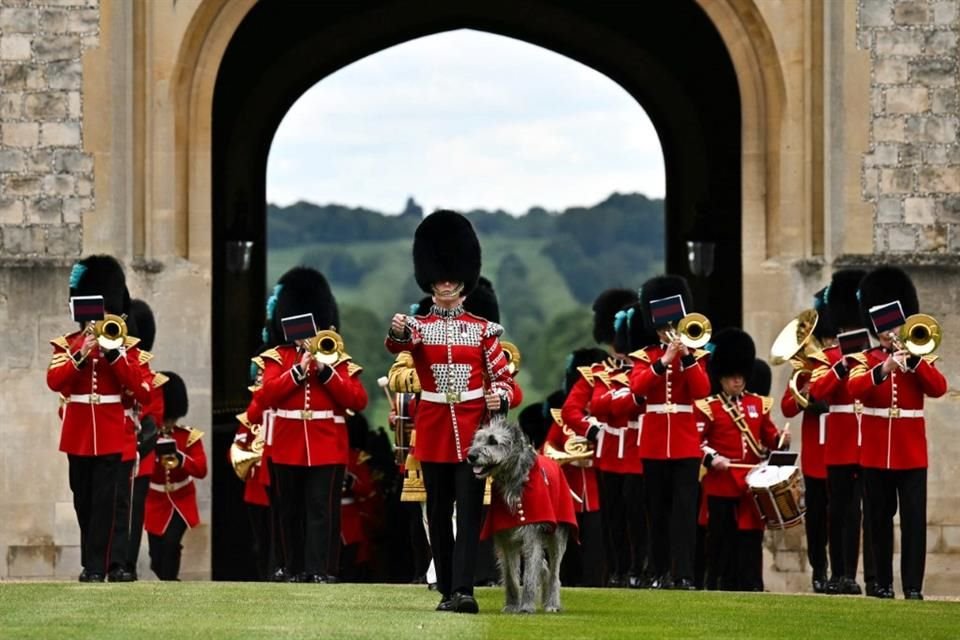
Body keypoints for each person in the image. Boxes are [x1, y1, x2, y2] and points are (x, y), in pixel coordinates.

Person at [386, 210, 518, 614]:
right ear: (430, 280)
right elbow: (397, 346)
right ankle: (446, 586)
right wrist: (397, 331)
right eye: (440, 279)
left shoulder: (483, 330)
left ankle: (464, 590)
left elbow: (505, 379)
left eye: (452, 278)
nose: (445, 284)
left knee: (470, 511)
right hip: (434, 428)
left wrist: (499, 396)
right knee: (440, 513)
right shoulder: (419, 327)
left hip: (473, 432)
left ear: (463, 281)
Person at [257, 267, 368, 583]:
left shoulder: (337, 358)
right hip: (287, 443)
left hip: (327, 445)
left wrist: (325, 372)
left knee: (322, 510)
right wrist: (296, 373)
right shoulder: (277, 358)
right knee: (288, 510)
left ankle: (321, 569)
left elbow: (357, 400)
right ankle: (290, 567)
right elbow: (265, 395)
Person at [47, 255, 150, 582]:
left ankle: (96, 568)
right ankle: (94, 562)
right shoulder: (68, 345)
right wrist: (81, 352)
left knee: (106, 503)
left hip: (109, 433)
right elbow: (54, 381)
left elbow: (142, 389)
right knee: (84, 501)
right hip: (78, 434)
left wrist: (114, 353)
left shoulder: (125, 348)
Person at [848, 267, 947, 600]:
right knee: (878, 521)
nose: (891, 332)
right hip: (876, 452)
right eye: (887, 326)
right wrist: (885, 368)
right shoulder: (866, 359)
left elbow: (938, 388)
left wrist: (915, 362)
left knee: (914, 522)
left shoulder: (920, 356)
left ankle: (913, 586)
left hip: (911, 453)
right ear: (876, 327)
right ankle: (882, 583)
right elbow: (856, 388)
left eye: (895, 325)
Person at [629, 275, 711, 590]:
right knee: (657, 513)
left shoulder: (697, 356)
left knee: (684, 513)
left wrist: (686, 355)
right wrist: (664, 361)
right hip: (653, 444)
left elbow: (701, 390)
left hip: (685, 444)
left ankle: (684, 574)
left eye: (673, 325)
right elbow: (638, 387)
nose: (669, 331)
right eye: (664, 327)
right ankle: (659, 572)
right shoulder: (645, 357)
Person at [697, 329, 788, 590]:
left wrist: (782, 439)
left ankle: (751, 584)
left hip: (749, 482)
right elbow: (697, 442)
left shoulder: (758, 404)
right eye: (732, 377)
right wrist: (713, 458)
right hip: (722, 481)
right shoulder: (710, 407)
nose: (737, 381)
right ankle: (717, 584)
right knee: (720, 539)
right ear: (721, 377)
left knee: (751, 537)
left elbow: (769, 437)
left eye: (740, 376)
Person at [561, 287, 638, 587]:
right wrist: (593, 429)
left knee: (640, 518)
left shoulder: (647, 371)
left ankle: (640, 570)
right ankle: (619, 570)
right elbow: (571, 411)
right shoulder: (596, 374)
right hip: (609, 454)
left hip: (641, 453)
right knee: (613, 518)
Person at [807, 269, 871, 595]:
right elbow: (818, 391)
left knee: (862, 513)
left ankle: (857, 575)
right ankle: (836, 572)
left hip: (869, 443)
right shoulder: (828, 357)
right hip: (840, 444)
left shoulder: (876, 356)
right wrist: (842, 366)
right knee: (838, 512)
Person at [780, 288, 832, 593]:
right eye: (826, 339)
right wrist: (806, 391)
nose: (829, 345)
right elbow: (788, 407)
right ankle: (819, 571)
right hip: (815, 457)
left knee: (843, 519)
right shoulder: (804, 372)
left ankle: (842, 571)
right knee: (816, 521)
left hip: (843, 452)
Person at [145, 371, 207, 580]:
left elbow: (201, 469)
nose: (167, 424)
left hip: (181, 500)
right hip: (154, 501)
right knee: (156, 556)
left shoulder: (188, 437)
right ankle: (168, 580)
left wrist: (180, 458)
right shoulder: (148, 436)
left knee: (171, 544)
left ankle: (171, 583)